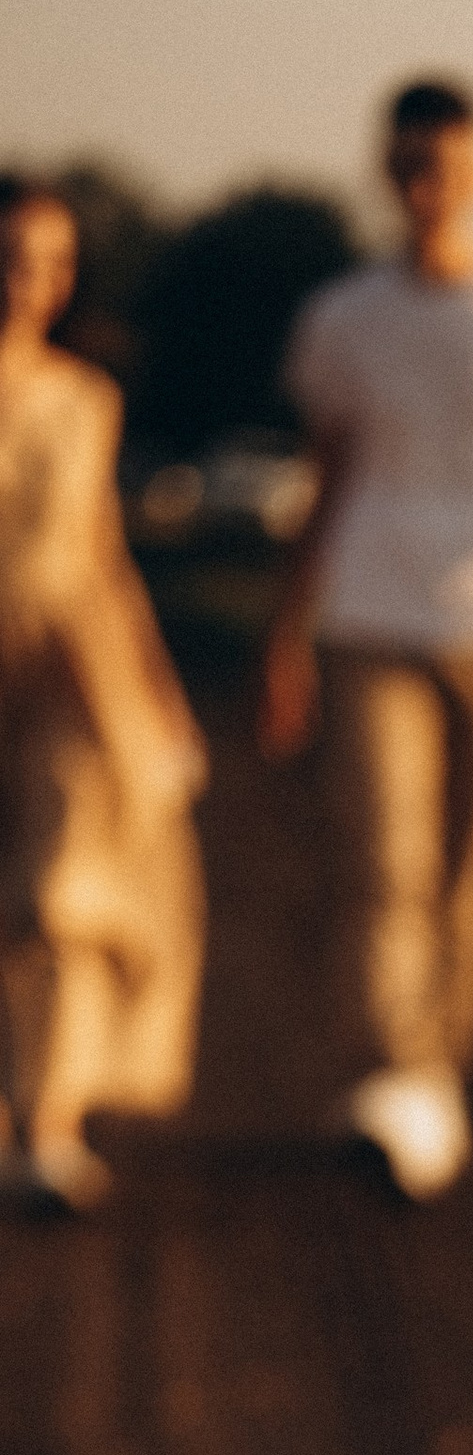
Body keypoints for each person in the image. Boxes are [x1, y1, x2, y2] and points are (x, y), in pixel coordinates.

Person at [260, 76, 473, 1200]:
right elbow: (326, 480)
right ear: (386, 174)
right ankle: (390, 1075)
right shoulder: (345, 319)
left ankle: (438, 1071)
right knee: (383, 866)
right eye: (411, 167)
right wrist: (287, 633)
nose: (430, 189)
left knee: (468, 878)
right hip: (371, 618)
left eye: (451, 167)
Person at [0, 178, 204, 1208]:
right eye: (14, 258)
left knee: (57, 897)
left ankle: (48, 1118)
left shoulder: (87, 401)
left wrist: (158, 698)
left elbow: (101, 557)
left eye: (52, 264)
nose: (30, 284)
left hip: (67, 678)